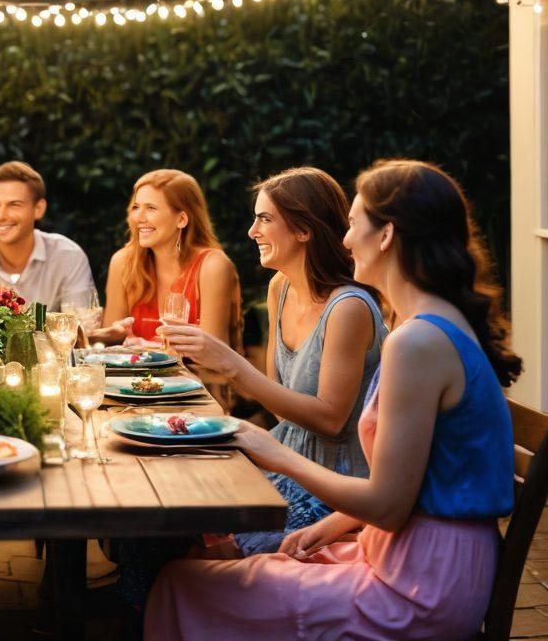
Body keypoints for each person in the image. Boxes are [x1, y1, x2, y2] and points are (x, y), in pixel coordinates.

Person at [146, 159, 520, 639]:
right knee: (194, 572)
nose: (343, 240)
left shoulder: (416, 342)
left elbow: (387, 503)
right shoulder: (424, 326)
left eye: (352, 225)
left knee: (182, 584)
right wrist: (331, 526)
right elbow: (415, 480)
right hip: (406, 553)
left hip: (419, 586)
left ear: (385, 235)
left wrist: (277, 454)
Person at [160, 167, 387, 556]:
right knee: (170, 505)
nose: (252, 231)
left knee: (189, 548)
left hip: (335, 486)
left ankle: (162, 607)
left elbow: (330, 420)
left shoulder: (348, 308)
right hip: (284, 459)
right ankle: (140, 608)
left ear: (304, 230)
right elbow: (281, 405)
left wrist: (231, 365)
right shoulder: (280, 287)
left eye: (265, 218)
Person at [94, 168, 242, 350]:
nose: (137, 217)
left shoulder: (212, 266)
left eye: (151, 208)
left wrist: (144, 347)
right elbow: (111, 345)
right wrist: (96, 335)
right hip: (133, 378)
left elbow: (215, 353)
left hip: (197, 378)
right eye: (136, 207)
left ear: (181, 219)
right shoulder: (123, 262)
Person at [0, 160, 94, 309]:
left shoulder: (69, 257)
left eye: (14, 205)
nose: (1, 215)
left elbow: (80, 327)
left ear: (39, 209)